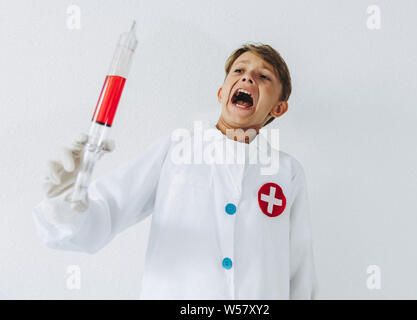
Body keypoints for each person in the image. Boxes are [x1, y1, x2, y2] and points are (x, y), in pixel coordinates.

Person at [32, 43, 318, 299]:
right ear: (221, 93)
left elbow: (299, 268)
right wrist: (66, 204)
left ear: (279, 108)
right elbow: (107, 212)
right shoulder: (176, 150)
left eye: (263, 76)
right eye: (239, 70)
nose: (247, 78)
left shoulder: (286, 172)